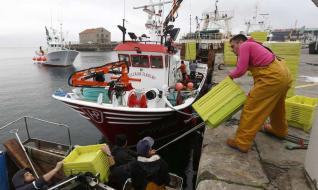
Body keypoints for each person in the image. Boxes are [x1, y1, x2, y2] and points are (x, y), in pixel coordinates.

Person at [226, 34, 292, 153]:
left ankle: (241, 142)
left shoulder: (245, 46)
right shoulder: (255, 45)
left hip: (273, 77)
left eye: (232, 46)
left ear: (240, 42)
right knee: (277, 106)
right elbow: (260, 73)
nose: (232, 50)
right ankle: (280, 130)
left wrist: (229, 76)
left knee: (251, 108)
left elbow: (241, 70)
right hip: (284, 74)